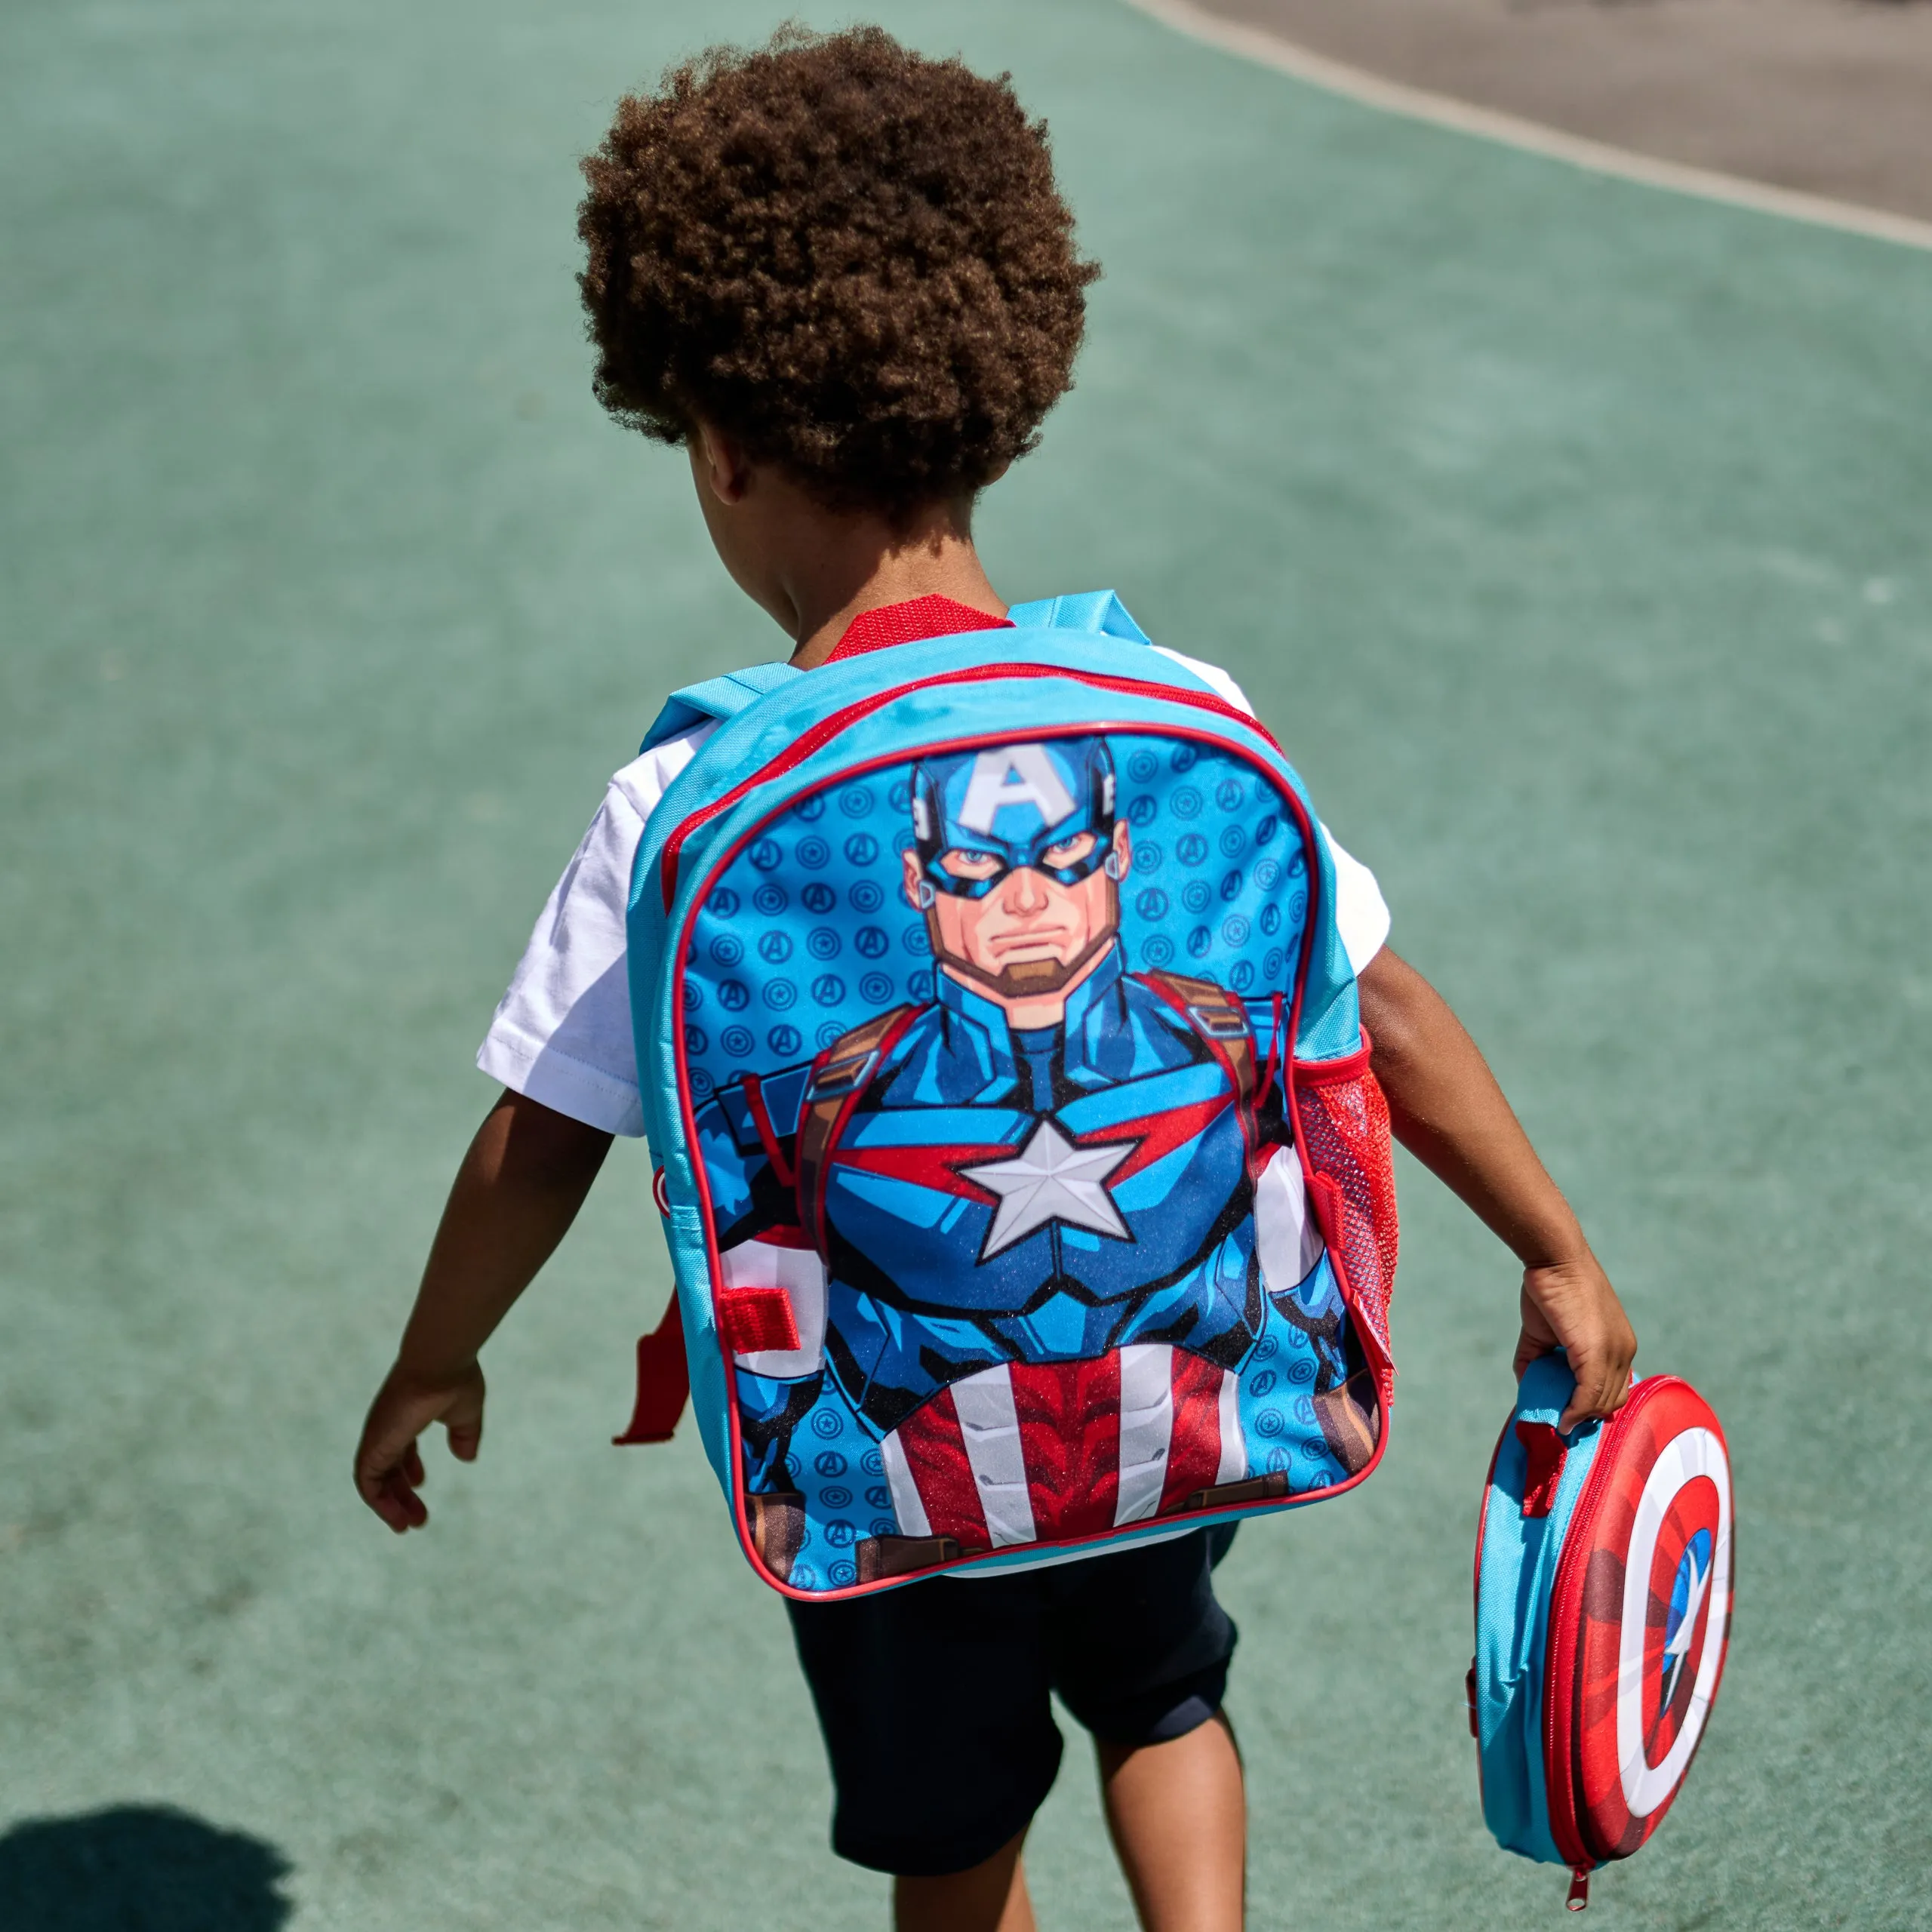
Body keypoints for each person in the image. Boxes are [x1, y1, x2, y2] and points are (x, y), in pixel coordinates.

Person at [352, 27, 1636, 1932]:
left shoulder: (679, 798)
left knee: (947, 1824)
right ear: (997, 399)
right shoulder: (1182, 707)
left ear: (716, 449)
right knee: (1163, 1687)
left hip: (885, 1457)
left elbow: (538, 1141)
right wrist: (1549, 1236)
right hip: (1160, 1385)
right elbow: (1381, 1009)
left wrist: (432, 1350)